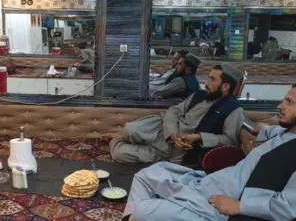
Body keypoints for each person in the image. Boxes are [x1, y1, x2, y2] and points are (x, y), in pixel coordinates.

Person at [122, 85, 296, 221]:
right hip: (208, 182)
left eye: (289, 102)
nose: (280, 106)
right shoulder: (285, 132)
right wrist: (263, 128)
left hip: (218, 204)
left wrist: (239, 206)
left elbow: (289, 207)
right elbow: (265, 130)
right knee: (145, 175)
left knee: (143, 211)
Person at [107, 63, 245, 164]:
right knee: (131, 129)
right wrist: (172, 133)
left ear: (225, 86)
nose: (206, 82)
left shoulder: (234, 110)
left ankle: (117, 140)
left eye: (212, 79)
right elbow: (174, 111)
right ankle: (124, 136)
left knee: (120, 154)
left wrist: (198, 137)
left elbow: (230, 141)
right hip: (164, 130)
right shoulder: (199, 95)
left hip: (177, 148)